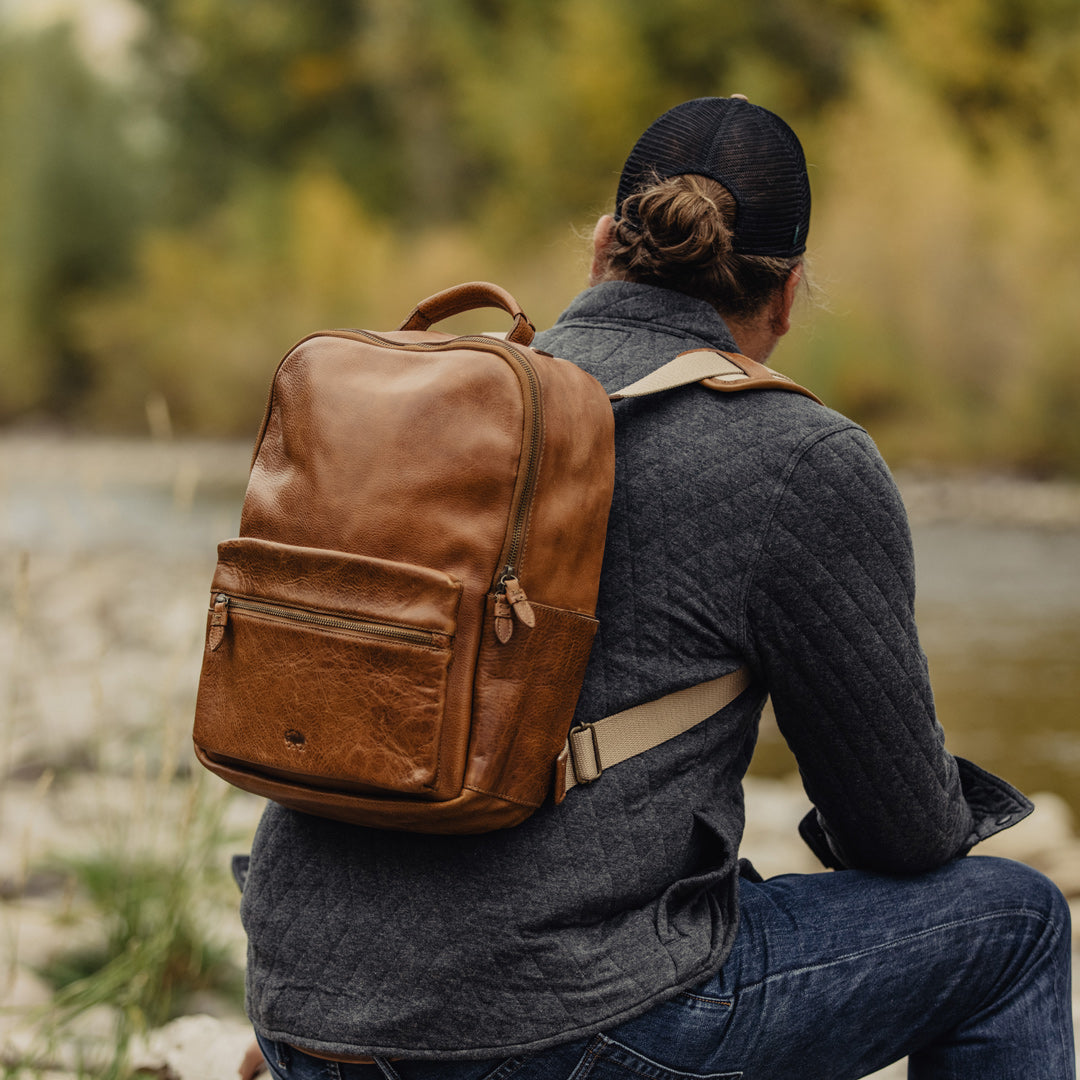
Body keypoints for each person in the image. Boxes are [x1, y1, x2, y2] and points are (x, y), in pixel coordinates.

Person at [237, 97, 1074, 1079]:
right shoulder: (797, 454)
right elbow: (901, 833)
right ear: (790, 295)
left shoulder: (439, 405)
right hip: (544, 1040)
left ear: (601, 250)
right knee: (1014, 925)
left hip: (298, 1010)